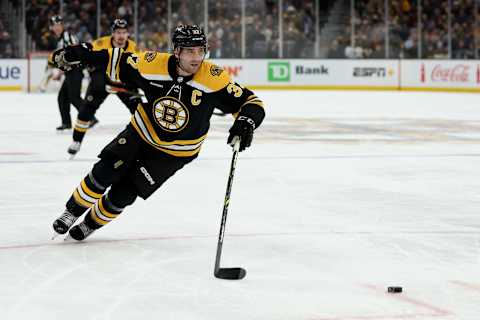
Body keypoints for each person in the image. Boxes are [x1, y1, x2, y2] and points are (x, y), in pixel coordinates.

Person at [50, 25, 265, 241]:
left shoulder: (213, 78)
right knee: (104, 171)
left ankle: (90, 224)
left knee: (124, 193)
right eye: (190, 51)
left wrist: (246, 121)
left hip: (174, 153)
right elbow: (115, 59)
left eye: (201, 50)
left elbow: (251, 102)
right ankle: (72, 212)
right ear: (177, 51)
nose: (197, 57)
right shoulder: (153, 63)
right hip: (141, 133)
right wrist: (77, 54)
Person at [68, 19, 140, 156]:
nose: (121, 36)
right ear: (112, 33)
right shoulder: (100, 44)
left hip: (123, 83)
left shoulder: (134, 48)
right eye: (118, 32)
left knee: (140, 112)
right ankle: (76, 141)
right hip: (102, 83)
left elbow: (138, 70)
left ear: (128, 34)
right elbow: (87, 58)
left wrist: (135, 85)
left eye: (124, 33)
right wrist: (98, 79)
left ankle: (146, 143)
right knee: (85, 110)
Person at [49, 15, 84, 131]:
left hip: (75, 70)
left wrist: (59, 72)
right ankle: (66, 123)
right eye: (55, 25)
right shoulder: (60, 39)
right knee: (62, 98)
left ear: (62, 25)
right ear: (51, 27)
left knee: (74, 98)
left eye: (59, 25)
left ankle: (90, 117)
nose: (57, 27)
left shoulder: (67, 37)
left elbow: (75, 54)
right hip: (70, 71)